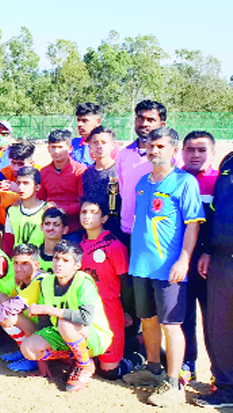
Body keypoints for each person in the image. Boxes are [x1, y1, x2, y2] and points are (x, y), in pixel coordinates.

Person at [123, 127, 204, 408]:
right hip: (141, 266)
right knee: (147, 319)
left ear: (174, 149)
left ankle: (173, 384)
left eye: (159, 146)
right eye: (150, 145)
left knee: (171, 324)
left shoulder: (184, 182)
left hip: (169, 268)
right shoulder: (142, 182)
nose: (153, 150)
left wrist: (184, 259)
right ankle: (154, 369)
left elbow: (192, 223)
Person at [0, 240, 112, 393]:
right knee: (29, 348)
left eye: (65, 260)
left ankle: (85, 365)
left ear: (77, 265)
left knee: (65, 323)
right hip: (62, 334)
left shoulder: (83, 281)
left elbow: (86, 318)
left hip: (94, 336)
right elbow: (33, 318)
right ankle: (69, 359)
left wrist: (47, 309)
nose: (59, 264)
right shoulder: (47, 283)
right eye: (56, 258)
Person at [79, 198, 133, 381]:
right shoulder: (79, 247)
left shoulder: (114, 246)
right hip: (87, 313)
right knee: (85, 361)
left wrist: (125, 311)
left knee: (109, 373)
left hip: (111, 312)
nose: (87, 216)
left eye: (93, 212)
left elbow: (126, 283)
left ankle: (140, 349)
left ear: (104, 218)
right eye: (84, 212)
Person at [196, 140, 233, 408]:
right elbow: (216, 210)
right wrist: (208, 249)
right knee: (219, 325)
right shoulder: (228, 163)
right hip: (221, 258)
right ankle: (226, 388)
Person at [179, 131, 217, 386]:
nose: (195, 155)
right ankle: (186, 366)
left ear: (212, 154)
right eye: (190, 149)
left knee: (214, 319)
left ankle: (220, 371)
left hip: (210, 263)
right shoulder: (174, 179)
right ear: (181, 152)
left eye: (201, 150)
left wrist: (210, 251)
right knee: (181, 317)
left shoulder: (221, 181)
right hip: (178, 261)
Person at [116, 100, 177, 246]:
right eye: (140, 118)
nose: (144, 123)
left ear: (162, 125)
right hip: (128, 229)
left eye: (151, 120)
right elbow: (123, 191)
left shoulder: (173, 157)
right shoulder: (124, 154)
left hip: (159, 232)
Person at [0, 244, 48, 373]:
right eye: (16, 263)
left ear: (36, 265)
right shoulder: (23, 279)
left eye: (25, 264)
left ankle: (32, 356)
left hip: (46, 332)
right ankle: (23, 350)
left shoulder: (41, 280)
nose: (18, 268)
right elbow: (9, 302)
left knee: (7, 316)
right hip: (32, 324)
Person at [38, 129, 85, 233]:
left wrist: (61, 209)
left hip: (74, 228)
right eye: (53, 147)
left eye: (60, 147)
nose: (56, 151)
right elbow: (40, 199)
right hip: (50, 228)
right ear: (48, 148)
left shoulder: (80, 172)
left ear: (70, 149)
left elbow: (83, 204)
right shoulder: (44, 172)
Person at [79, 126, 123, 238]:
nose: (99, 146)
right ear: (90, 146)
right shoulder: (87, 174)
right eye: (95, 142)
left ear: (112, 145)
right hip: (95, 232)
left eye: (104, 142)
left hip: (119, 231)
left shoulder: (121, 171)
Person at [4, 166, 47, 255]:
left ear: (37, 187)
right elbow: (8, 244)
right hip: (16, 266)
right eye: (18, 183)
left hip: (39, 266)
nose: (20, 188)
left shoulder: (46, 211)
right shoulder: (12, 211)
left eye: (26, 183)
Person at [39, 207, 69, 273]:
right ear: (41, 227)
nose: (51, 228)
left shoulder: (70, 256)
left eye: (56, 225)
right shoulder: (33, 255)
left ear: (65, 230)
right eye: (47, 224)